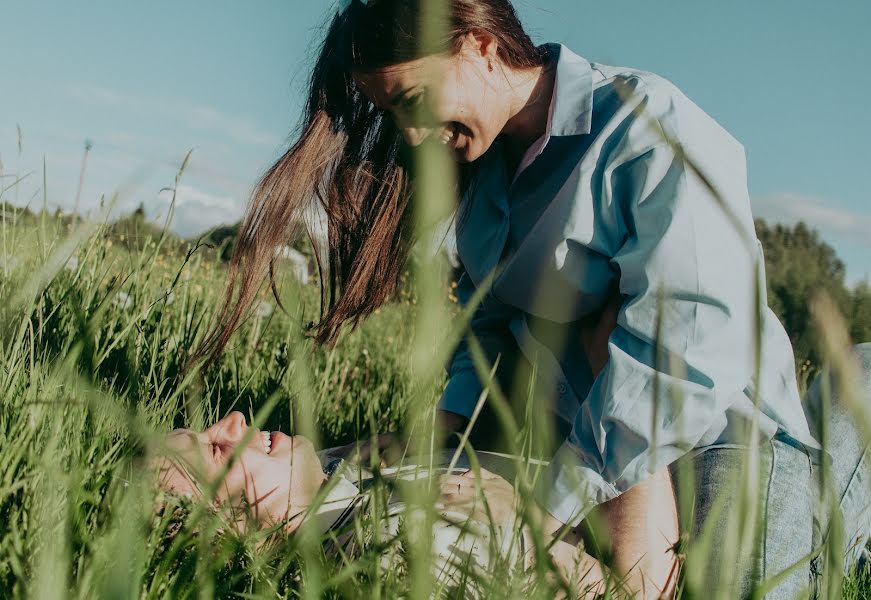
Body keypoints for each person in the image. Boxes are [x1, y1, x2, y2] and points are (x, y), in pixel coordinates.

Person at [190, 0, 871, 596]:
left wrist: (547, 506)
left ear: (479, 46)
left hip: (716, 440)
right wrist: (451, 428)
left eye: (411, 100)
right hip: (585, 454)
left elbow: (688, 347)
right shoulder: (485, 180)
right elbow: (489, 318)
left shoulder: (643, 127)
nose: (413, 134)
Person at [152, 411, 609, 596]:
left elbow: (332, 466)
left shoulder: (337, 500)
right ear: (232, 539)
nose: (236, 421)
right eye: (215, 449)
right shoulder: (408, 547)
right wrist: (536, 524)